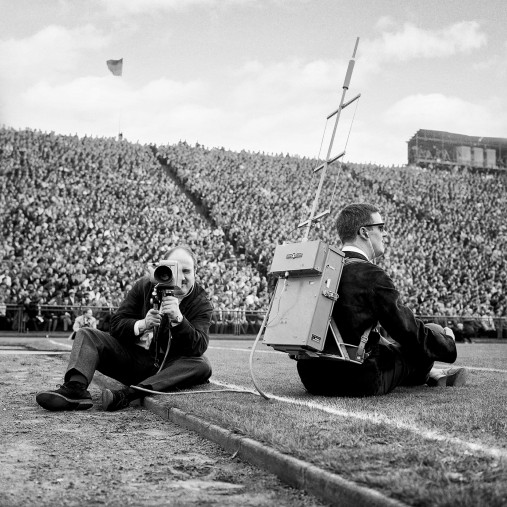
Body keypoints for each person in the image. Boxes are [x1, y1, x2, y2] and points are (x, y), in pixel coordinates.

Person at [297, 203, 468, 397]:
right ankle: (429, 373)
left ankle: (433, 374)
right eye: (381, 227)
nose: (384, 234)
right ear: (364, 232)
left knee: (385, 343)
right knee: (433, 331)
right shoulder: (371, 274)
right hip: (358, 378)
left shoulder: (321, 268)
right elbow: (407, 330)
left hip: (311, 377)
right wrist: (447, 344)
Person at [36, 246, 213, 412]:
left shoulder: (201, 302)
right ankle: (75, 389)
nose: (180, 277)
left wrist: (178, 318)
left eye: (187, 271)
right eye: (174, 269)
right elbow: (116, 324)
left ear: (195, 272)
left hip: (169, 369)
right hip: (134, 360)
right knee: (86, 333)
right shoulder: (145, 285)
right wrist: (143, 324)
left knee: (202, 365)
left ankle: (127, 395)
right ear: (163, 268)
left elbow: (198, 346)